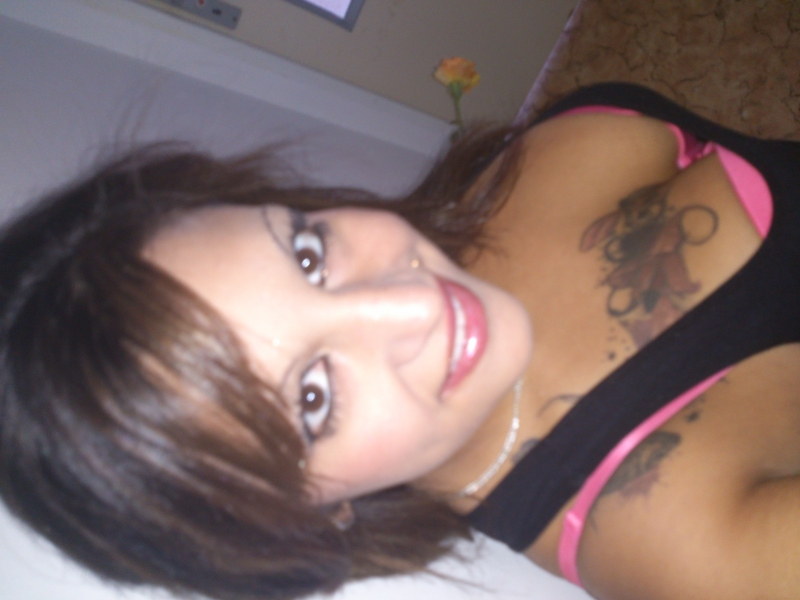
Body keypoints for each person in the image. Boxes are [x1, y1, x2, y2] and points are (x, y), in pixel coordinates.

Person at [1, 82, 799, 600]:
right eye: (314, 398)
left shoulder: (488, 195)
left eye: (308, 255)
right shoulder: (691, 548)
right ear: (311, 520)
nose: (411, 304)